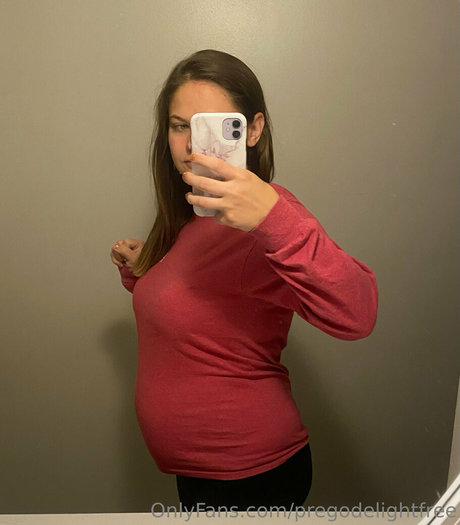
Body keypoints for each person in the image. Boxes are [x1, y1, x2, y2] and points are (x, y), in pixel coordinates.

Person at [109, 49, 378, 512]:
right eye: (179, 126)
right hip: (202, 474)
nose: (193, 147)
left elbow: (359, 313)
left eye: (212, 125)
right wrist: (145, 273)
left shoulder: (268, 217)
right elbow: (198, 309)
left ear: (252, 130)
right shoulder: (193, 217)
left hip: (251, 476)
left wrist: (272, 218)